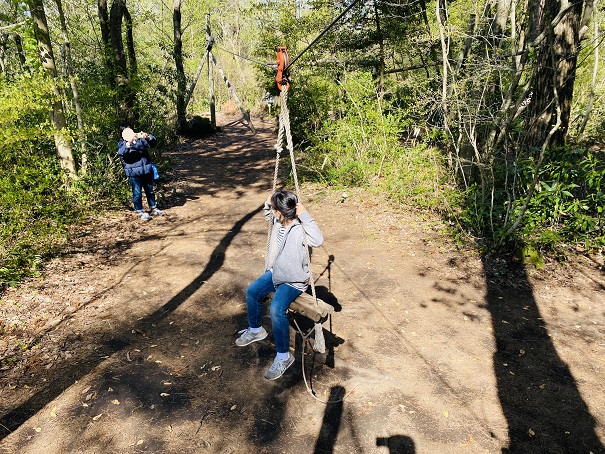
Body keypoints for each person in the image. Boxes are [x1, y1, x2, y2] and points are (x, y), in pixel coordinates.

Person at [236, 190, 324, 380]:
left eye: (275, 209)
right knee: (252, 291)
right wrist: (268, 203)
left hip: (294, 280)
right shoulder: (277, 220)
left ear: (280, 212)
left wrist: (305, 215)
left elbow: (318, 240)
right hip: (275, 272)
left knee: (276, 309)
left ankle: (284, 356)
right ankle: (256, 329)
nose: (273, 212)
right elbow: (268, 214)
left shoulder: (300, 228)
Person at [117, 126, 163, 221]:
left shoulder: (140, 141)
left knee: (150, 191)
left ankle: (153, 207)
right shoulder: (122, 144)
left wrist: (148, 137)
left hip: (146, 170)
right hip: (134, 173)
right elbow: (121, 153)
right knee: (137, 193)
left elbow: (153, 143)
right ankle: (140, 211)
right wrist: (128, 143)